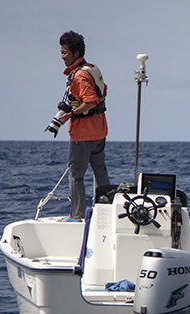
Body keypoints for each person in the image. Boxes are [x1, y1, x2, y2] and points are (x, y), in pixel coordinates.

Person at [58, 30, 110, 221]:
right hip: (99, 132)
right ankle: (105, 213)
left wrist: (68, 115)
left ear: (76, 53)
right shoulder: (92, 69)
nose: (62, 57)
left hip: (83, 136)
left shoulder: (79, 76)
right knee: (100, 173)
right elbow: (103, 91)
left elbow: (90, 101)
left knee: (76, 175)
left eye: (65, 52)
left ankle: (77, 215)